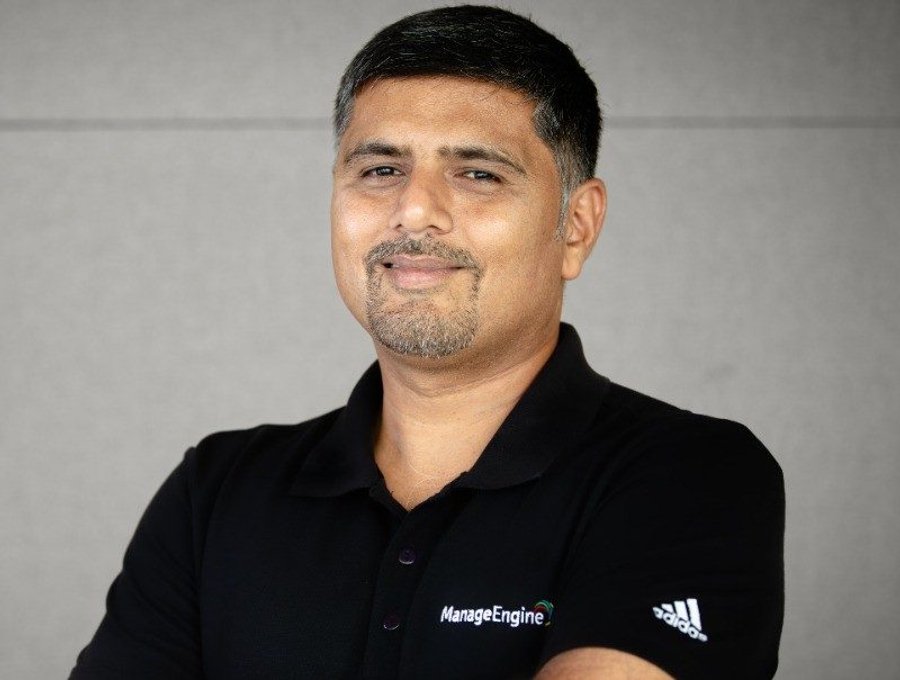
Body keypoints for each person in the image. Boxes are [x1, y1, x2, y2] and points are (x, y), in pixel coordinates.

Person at [70, 6, 784, 679]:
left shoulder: (688, 475)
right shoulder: (218, 491)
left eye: (478, 174)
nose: (414, 210)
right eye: (381, 170)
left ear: (577, 225)